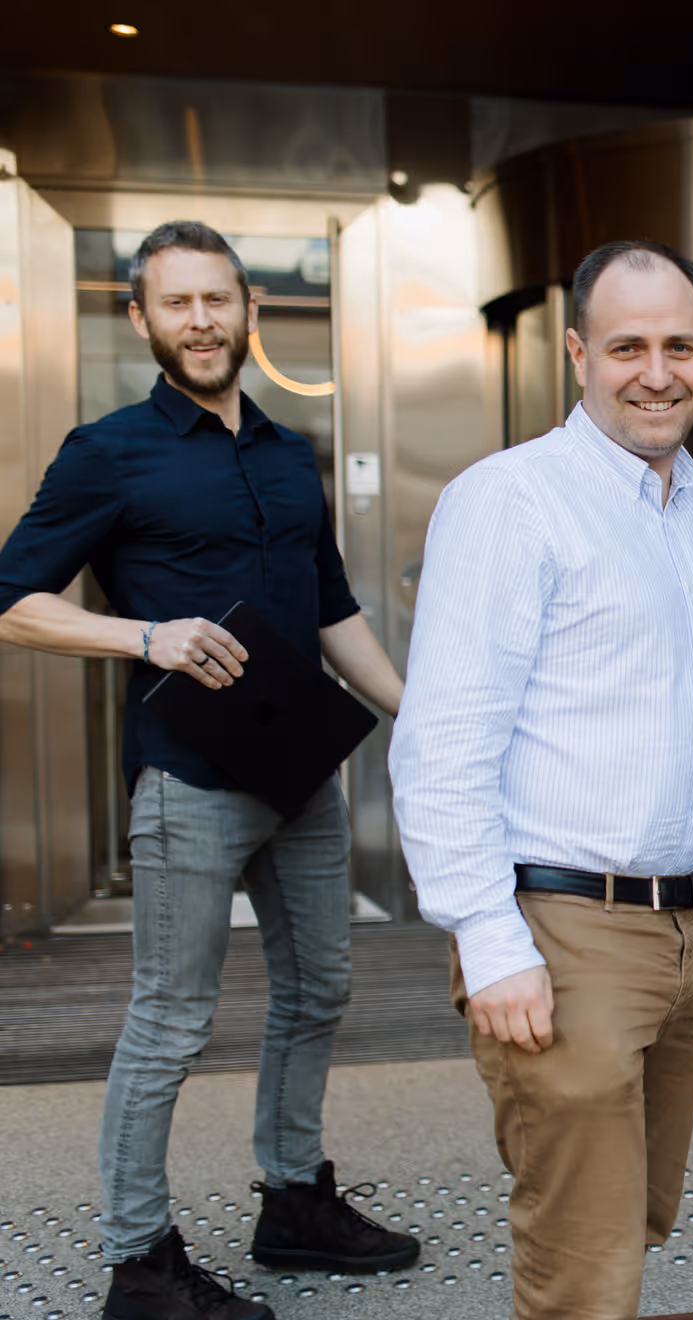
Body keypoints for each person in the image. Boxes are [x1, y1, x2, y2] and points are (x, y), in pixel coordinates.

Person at [0, 220, 418, 1320]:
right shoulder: (107, 452)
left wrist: (414, 715)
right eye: (176, 303)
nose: (200, 320)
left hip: (303, 777)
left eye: (217, 299)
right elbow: (13, 603)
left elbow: (331, 608)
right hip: (189, 780)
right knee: (171, 1021)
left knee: (320, 990)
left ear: (248, 312)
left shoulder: (288, 453)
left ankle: (293, 1203)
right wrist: (148, 636)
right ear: (140, 319)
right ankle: (140, 1262)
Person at [390, 239, 693, 1320]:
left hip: (689, 932)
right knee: (583, 1263)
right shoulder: (511, 502)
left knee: (635, 1219)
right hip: (561, 933)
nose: (657, 371)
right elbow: (444, 742)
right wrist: (487, 937)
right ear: (576, 354)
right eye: (627, 346)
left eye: (680, 345)